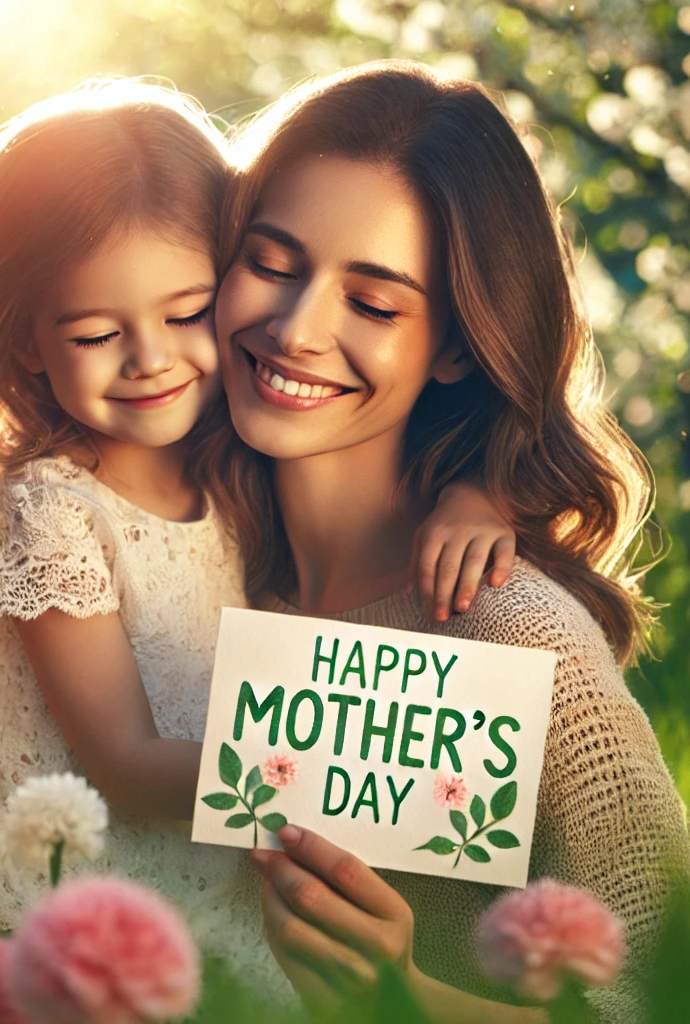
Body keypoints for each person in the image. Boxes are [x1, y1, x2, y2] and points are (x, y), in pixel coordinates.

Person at [0, 77, 516, 985]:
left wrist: (476, 494)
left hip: (204, 903)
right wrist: (369, 784)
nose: (153, 360)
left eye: (185, 314)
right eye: (98, 333)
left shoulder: (233, 472)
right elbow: (127, 765)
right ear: (25, 342)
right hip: (57, 916)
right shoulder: (48, 510)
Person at [202, 60, 690, 1021]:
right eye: (271, 262)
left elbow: (662, 996)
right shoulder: (192, 574)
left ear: (461, 346)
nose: (298, 328)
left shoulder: (514, 634)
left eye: (374, 303)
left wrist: (404, 997)